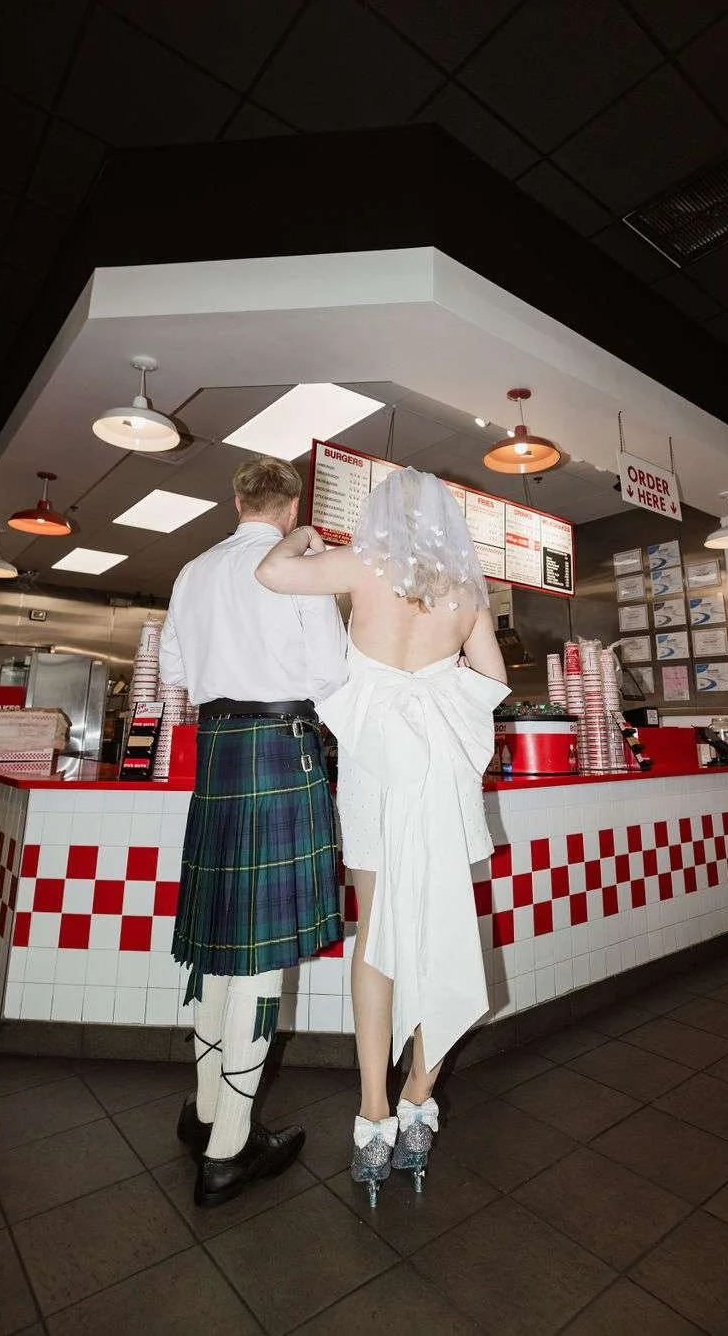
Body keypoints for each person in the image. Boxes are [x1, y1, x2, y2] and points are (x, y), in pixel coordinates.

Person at [256, 466, 509, 1204]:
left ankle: (372, 1115)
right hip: (439, 777)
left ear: (379, 515)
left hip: (374, 773)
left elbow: (273, 571)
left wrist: (305, 533)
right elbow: (491, 684)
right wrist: (439, 685)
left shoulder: (361, 563)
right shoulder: (466, 589)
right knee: (441, 932)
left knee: (378, 937)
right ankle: (419, 1103)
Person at [159, 455, 347, 1208]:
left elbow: (174, 670)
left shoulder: (191, 570)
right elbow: (331, 676)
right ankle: (231, 1151)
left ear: (235, 499)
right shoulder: (299, 566)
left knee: (218, 943)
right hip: (282, 749)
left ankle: (206, 1114)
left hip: (217, 755)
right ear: (293, 502)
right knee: (261, 956)